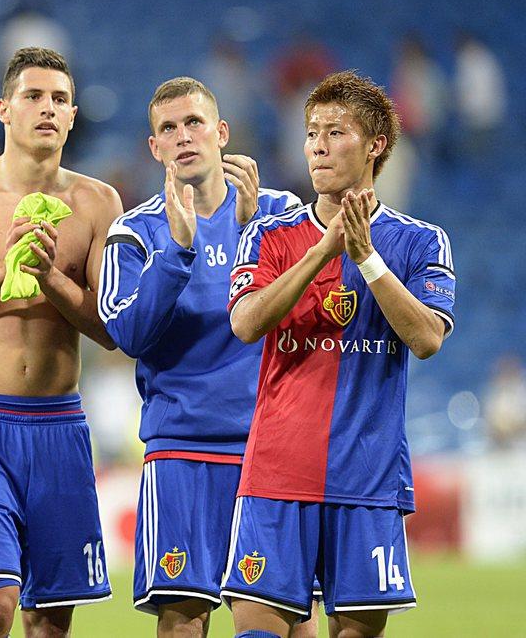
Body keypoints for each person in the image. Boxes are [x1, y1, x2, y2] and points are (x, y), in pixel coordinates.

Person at [223, 71, 455, 638]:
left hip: (367, 483)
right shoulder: (270, 235)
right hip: (277, 475)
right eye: (311, 132)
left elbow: (426, 339)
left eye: (335, 131)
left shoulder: (420, 241)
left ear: (375, 146)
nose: (317, 146)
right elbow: (246, 323)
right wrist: (323, 251)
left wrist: (367, 259)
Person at [97, 78, 315, 638]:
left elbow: (315, 310)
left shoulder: (281, 213)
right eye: (168, 128)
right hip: (182, 451)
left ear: (221, 133)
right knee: (182, 621)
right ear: (154, 147)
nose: (183, 136)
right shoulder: (137, 232)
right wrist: (180, 250)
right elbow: (127, 333)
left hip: (270, 447)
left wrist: (255, 235)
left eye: (194, 123)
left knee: (290, 620)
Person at [0, 47, 123, 638]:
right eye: (33, 96)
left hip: (60, 425)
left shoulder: (98, 203)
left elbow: (112, 330)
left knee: (51, 621)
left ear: (74, 115)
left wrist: (53, 279)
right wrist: (0, 269)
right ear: (4, 109)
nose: (47, 108)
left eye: (60, 99)